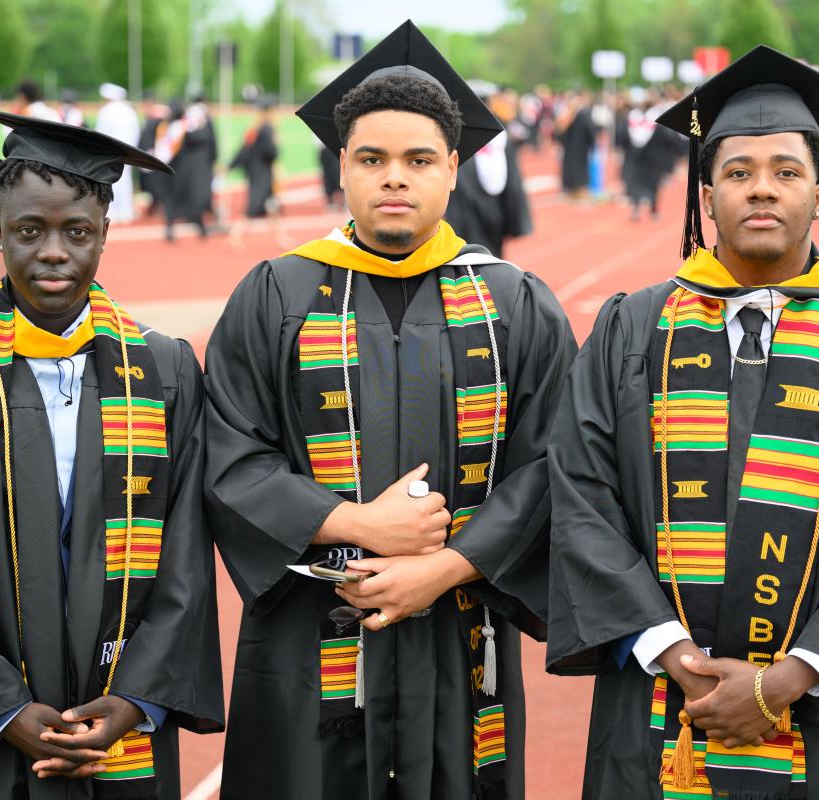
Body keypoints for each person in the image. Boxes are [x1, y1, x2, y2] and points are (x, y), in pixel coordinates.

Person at [547, 45, 819, 799]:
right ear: (707, 195)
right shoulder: (631, 331)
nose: (761, 190)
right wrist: (674, 653)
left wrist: (788, 679)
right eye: (737, 173)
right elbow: (581, 498)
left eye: (786, 171)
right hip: (666, 707)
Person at [203, 21, 576, 800]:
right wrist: (353, 525)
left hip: (459, 633)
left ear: (453, 170)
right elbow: (231, 453)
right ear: (341, 167)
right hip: (314, 639)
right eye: (372, 160)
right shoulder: (276, 295)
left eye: (418, 160)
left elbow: (553, 467)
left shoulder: (515, 303)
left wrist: (445, 567)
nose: (394, 178)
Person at [0, 106, 224, 799]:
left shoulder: (165, 371)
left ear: (105, 236)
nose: (53, 251)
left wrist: (137, 700)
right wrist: (0, 706)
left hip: (115, 717)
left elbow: (186, 552)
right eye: (30, 230)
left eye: (77, 232)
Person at [446, 85, 533, 258]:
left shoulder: (455, 137)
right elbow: (513, 183)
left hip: (467, 215)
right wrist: (515, 218)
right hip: (493, 212)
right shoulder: (501, 136)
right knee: (490, 259)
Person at [152, 98, 218, 241]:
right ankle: (201, 229)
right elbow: (204, 137)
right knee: (190, 200)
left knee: (172, 202)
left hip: (167, 170)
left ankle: (174, 229)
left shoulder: (164, 127)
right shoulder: (183, 127)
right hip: (180, 172)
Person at [95, 83, 142, 223]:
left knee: (111, 180)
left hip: (110, 151)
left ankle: (113, 212)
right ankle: (126, 211)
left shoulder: (106, 111)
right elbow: (136, 132)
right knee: (125, 179)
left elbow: (100, 133)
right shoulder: (129, 110)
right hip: (128, 150)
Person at [228, 97, 279, 219]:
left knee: (270, 204)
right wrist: (276, 142)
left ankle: (278, 235)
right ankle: (236, 236)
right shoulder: (267, 129)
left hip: (256, 171)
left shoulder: (255, 129)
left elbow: (244, 150)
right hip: (262, 173)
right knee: (254, 208)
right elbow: (271, 152)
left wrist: (232, 165)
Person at [557, 89, 596, 199]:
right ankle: (578, 190)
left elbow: (559, 132)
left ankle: (571, 189)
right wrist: (592, 144)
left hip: (570, 146)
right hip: (580, 147)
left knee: (572, 167)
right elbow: (590, 131)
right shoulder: (583, 113)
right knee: (579, 169)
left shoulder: (569, 112)